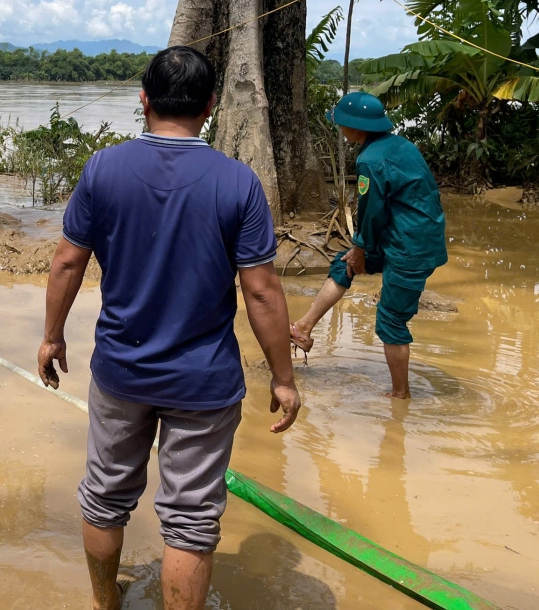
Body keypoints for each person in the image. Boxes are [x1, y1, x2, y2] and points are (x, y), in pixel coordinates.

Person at [39, 46, 301, 610]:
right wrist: (283, 377)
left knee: (104, 498)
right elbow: (260, 290)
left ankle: (104, 604)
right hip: (202, 382)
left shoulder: (103, 169)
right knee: (190, 520)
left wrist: (52, 336)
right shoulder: (238, 183)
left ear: (143, 101)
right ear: (210, 106)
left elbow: (66, 262)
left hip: (120, 373)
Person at [289, 92, 447, 400]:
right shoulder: (400, 145)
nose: (340, 130)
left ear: (354, 127)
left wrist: (360, 247)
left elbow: (373, 212)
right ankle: (304, 328)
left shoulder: (371, 160)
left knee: (391, 319)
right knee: (343, 264)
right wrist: (357, 252)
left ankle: (400, 396)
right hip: (405, 237)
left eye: (341, 125)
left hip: (409, 247)